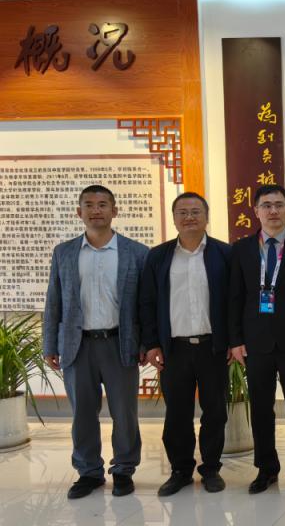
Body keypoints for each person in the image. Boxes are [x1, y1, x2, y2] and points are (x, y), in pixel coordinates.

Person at [43, 185, 150, 499]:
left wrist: (146, 343)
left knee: (125, 413)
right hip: (78, 345)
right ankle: (88, 472)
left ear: (114, 211)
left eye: (103, 204)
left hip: (120, 343)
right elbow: (54, 301)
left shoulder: (136, 252)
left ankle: (124, 469)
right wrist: (50, 344)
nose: (96, 210)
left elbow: (145, 304)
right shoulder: (64, 252)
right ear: (79, 212)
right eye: (89, 205)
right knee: (83, 413)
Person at [228, 184, 285, 495]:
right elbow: (235, 297)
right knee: (261, 409)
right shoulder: (241, 249)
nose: (273, 211)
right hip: (255, 343)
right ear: (256, 210)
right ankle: (266, 468)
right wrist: (236, 340)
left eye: (279, 204)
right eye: (267, 205)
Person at [140, 192, 231, 496]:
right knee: (177, 413)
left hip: (213, 347)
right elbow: (147, 303)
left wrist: (234, 342)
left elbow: (234, 301)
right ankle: (180, 470)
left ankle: (211, 469)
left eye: (195, 211)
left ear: (207, 217)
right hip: (174, 349)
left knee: (215, 411)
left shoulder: (224, 254)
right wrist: (152, 344)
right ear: (174, 218)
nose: (189, 217)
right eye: (183, 212)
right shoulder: (159, 256)